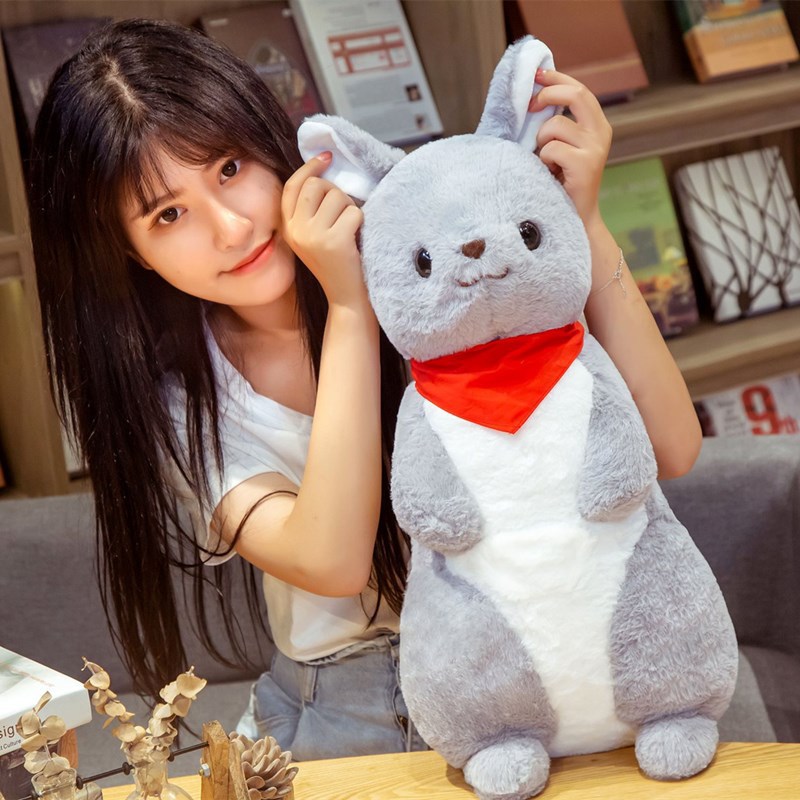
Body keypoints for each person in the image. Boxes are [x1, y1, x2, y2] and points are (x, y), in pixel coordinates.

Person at [26, 19, 700, 760]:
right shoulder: (183, 401)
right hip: (350, 702)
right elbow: (334, 560)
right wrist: (349, 308)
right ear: (129, 252)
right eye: (168, 214)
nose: (231, 226)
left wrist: (584, 217)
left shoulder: (422, 257)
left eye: (228, 167)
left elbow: (672, 446)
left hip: (556, 647)